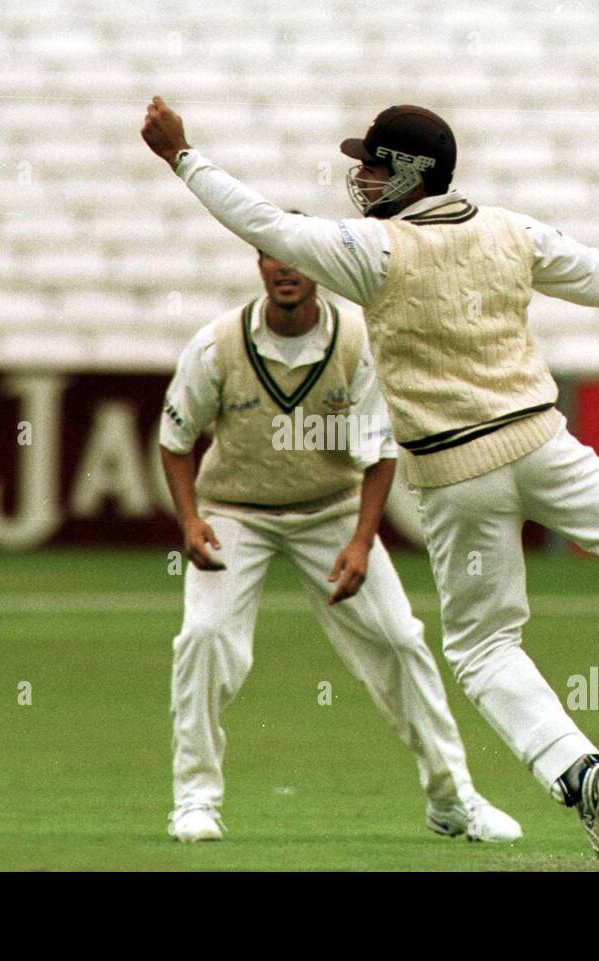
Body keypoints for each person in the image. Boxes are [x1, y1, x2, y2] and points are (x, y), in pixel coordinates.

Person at [141, 96, 599, 869]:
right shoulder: (510, 229)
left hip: (456, 472)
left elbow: (266, 224)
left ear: (405, 172)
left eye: (369, 162)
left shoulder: (373, 250)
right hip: (541, 437)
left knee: (485, 647)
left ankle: (580, 772)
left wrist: (183, 156)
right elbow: (590, 269)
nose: (357, 176)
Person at [158, 234, 521, 844]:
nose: (285, 269)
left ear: (319, 269)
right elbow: (175, 441)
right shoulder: (217, 343)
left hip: (330, 510)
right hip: (236, 511)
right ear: (260, 265)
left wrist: (360, 540)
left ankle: (453, 798)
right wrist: (192, 521)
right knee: (204, 637)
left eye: (297, 258)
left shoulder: (358, 342)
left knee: (400, 640)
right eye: (273, 257)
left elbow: (380, 452)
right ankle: (194, 800)